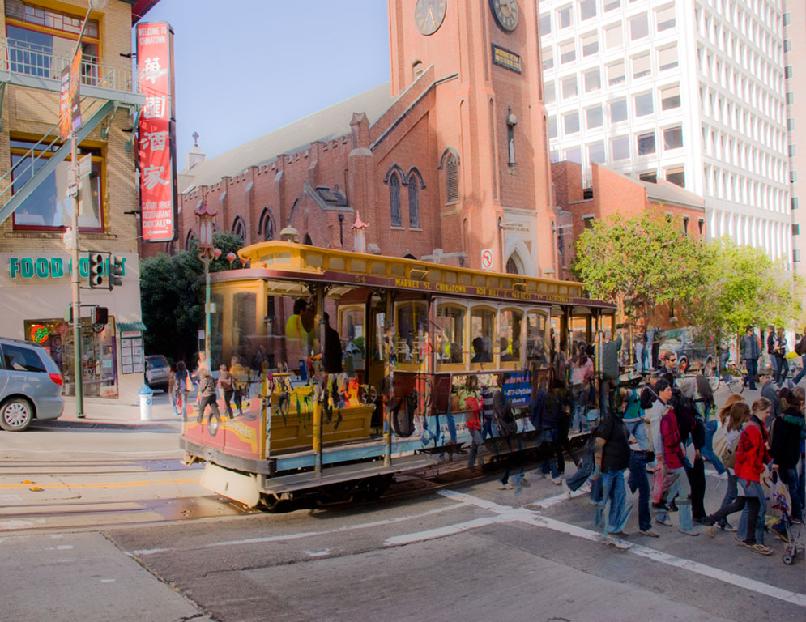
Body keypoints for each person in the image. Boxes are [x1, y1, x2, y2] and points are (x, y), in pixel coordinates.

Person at [703, 398, 775, 555]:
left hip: (740, 471)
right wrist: (762, 467)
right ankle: (751, 538)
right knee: (751, 503)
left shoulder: (741, 427)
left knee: (742, 502)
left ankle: (718, 520)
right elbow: (749, 455)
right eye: (767, 412)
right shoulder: (749, 430)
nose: (768, 415)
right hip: (744, 473)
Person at [654, 379, 699, 535]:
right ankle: (685, 525)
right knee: (683, 492)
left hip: (673, 456)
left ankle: (660, 514)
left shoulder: (668, 414)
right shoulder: (667, 416)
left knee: (673, 489)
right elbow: (666, 438)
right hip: (672, 457)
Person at [591, 394, 632, 538]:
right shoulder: (610, 420)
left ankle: (613, 526)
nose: (625, 406)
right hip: (609, 468)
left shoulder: (618, 420)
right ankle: (606, 528)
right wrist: (597, 467)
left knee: (621, 499)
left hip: (618, 468)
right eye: (623, 403)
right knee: (609, 499)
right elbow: (599, 443)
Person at [623, 386, 658, 537]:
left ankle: (616, 518)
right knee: (644, 491)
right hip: (635, 456)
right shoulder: (633, 399)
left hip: (636, 455)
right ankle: (644, 525)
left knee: (631, 486)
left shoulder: (637, 411)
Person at [712, 398, 748, 532]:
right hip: (734, 465)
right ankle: (720, 518)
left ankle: (720, 518)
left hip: (731, 464)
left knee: (732, 493)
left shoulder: (732, 424)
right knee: (733, 493)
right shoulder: (734, 428)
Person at [771, 388, 804, 524]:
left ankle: (786, 513)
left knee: (782, 487)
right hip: (794, 456)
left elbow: (778, 442)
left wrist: (775, 459)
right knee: (794, 487)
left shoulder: (781, 420)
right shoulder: (799, 418)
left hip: (783, 458)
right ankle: (797, 514)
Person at [570, 343, 594, 432]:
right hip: (584, 385)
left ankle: (576, 427)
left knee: (576, 407)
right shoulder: (589, 361)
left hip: (575, 386)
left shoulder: (573, 360)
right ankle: (584, 427)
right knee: (583, 407)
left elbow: (567, 366)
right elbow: (591, 374)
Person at [598, 330, 622, 418]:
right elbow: (619, 342)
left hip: (604, 375)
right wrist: (619, 335)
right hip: (614, 375)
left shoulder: (600, 347)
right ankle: (613, 412)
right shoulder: (614, 345)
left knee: (605, 396)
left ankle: (606, 414)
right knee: (613, 395)